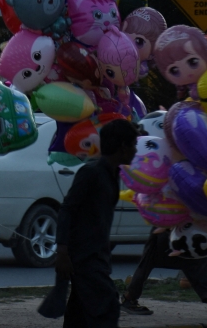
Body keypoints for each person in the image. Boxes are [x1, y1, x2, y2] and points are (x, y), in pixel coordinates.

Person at [55, 119, 140, 328]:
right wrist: (62, 251)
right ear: (123, 146)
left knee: (79, 314)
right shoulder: (91, 173)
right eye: (134, 144)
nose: (136, 150)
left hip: (97, 255)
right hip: (84, 257)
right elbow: (67, 209)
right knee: (107, 306)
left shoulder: (113, 174)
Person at [120, 229, 207, 320]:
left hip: (185, 222)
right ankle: (129, 297)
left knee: (196, 258)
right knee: (150, 258)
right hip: (167, 219)